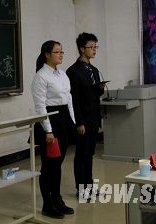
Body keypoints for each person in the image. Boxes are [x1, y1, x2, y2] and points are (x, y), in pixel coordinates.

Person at [31, 40, 76, 219]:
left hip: (63, 120)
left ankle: (57, 200)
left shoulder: (62, 74)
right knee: (49, 166)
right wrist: (48, 130)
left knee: (57, 164)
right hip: (50, 122)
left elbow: (68, 99)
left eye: (61, 51)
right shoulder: (41, 76)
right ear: (47, 55)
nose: (61, 54)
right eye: (57, 52)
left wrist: (72, 122)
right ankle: (47, 204)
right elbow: (40, 106)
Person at [66, 32, 104, 198]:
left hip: (94, 118)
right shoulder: (73, 71)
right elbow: (74, 99)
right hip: (83, 120)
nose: (94, 50)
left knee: (90, 154)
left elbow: (92, 95)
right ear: (82, 49)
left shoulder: (94, 70)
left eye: (96, 47)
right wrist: (79, 122)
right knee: (81, 154)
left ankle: (89, 186)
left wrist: (99, 89)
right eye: (91, 47)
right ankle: (80, 189)